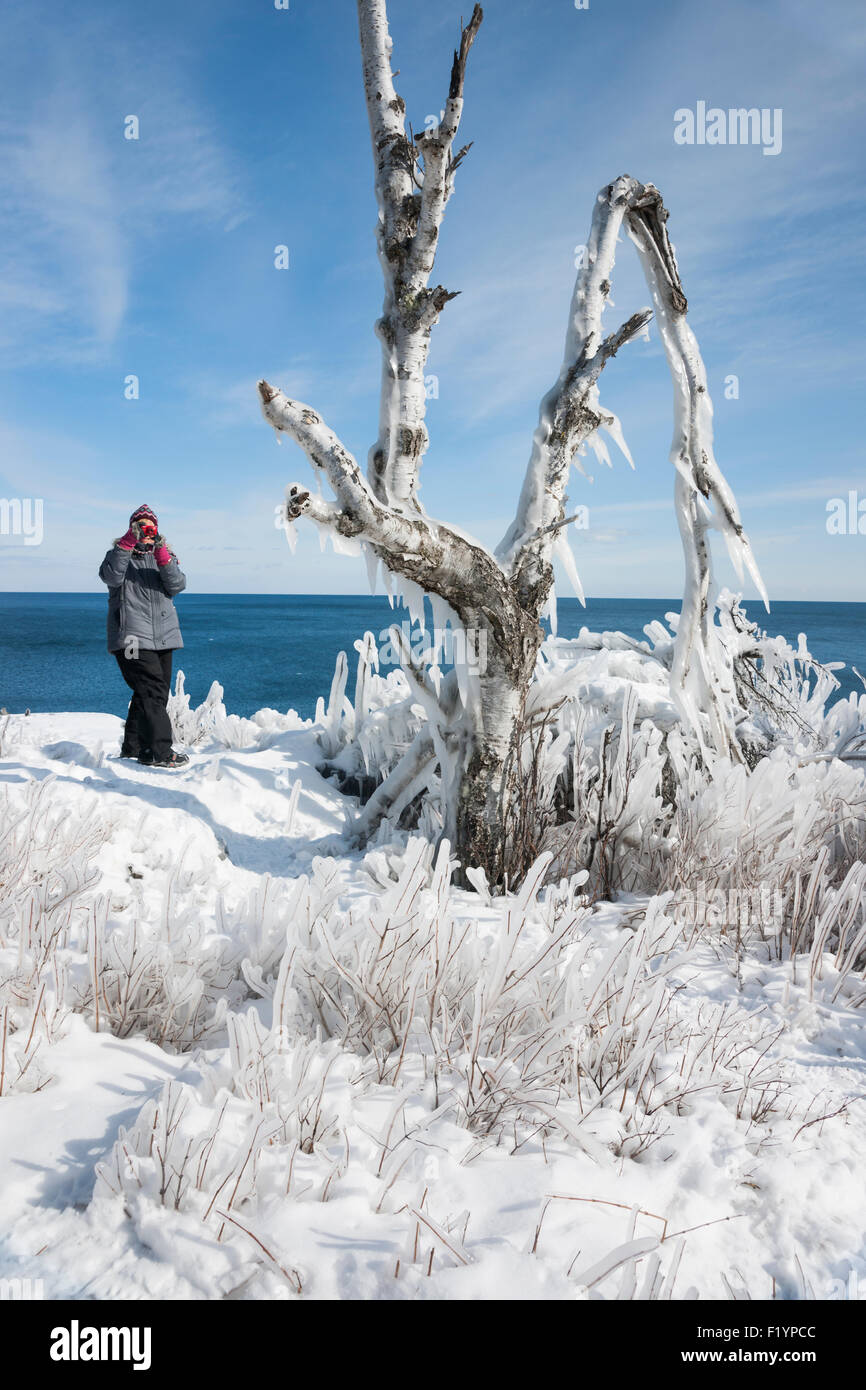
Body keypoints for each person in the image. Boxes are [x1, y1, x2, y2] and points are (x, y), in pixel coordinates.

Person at [99, 504, 190, 770]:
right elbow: (111, 576)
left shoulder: (164, 556)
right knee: (151, 689)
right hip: (131, 637)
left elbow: (177, 585)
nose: (146, 530)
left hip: (164, 636)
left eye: (150, 526)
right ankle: (161, 751)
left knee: (151, 692)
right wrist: (129, 542)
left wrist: (162, 553)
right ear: (132, 528)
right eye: (140, 525)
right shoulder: (118, 556)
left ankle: (136, 749)